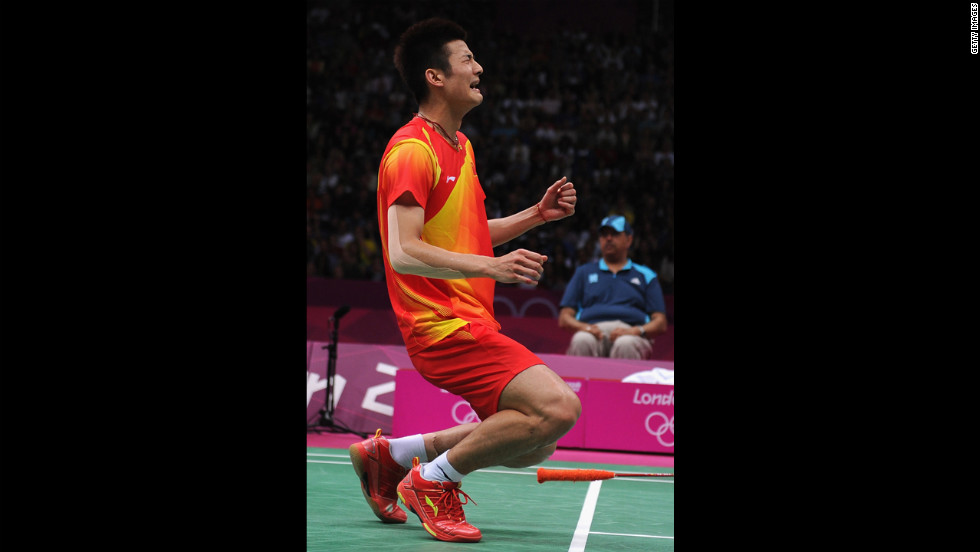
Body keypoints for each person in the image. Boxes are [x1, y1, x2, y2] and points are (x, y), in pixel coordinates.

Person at [348, 18, 581, 543]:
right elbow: (403, 252)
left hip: (470, 318)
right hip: (439, 324)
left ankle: (392, 457)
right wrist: (492, 268)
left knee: (534, 441)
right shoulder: (413, 150)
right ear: (435, 76)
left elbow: (468, 237)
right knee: (558, 408)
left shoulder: (461, 145)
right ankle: (431, 481)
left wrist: (534, 217)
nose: (478, 69)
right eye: (467, 60)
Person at [557, 215, 667, 359]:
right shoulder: (583, 272)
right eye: (604, 235)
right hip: (592, 330)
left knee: (626, 344)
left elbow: (660, 321)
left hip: (631, 332)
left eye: (615, 234)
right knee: (581, 340)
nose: (608, 238)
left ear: (629, 240)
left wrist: (636, 331)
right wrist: (585, 328)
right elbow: (565, 317)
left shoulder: (646, 275)